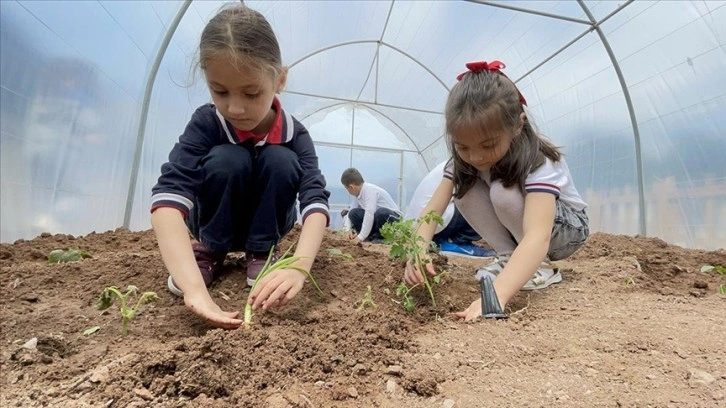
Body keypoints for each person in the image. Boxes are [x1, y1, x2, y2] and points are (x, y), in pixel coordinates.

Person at [150, 5, 330, 330]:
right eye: (219, 91)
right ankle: (210, 249)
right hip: (211, 219)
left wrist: (299, 267)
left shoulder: (295, 134)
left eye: (251, 93)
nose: (234, 107)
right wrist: (193, 288)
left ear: (280, 80)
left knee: (281, 159)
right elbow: (168, 198)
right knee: (228, 159)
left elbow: (315, 202)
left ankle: (260, 251)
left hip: (269, 224)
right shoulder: (206, 123)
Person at [404, 60, 589, 321]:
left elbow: (538, 236)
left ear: (517, 125)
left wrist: (497, 295)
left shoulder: (537, 159)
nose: (476, 157)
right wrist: (418, 250)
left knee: (503, 190)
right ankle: (509, 257)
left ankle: (542, 267)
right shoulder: (462, 161)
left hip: (565, 231)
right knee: (464, 190)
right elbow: (432, 211)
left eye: (488, 145)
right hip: (526, 229)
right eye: (463, 147)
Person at [405, 161, 494, 258]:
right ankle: (457, 241)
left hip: (418, 227)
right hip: (431, 224)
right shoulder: (463, 165)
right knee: (482, 200)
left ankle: (438, 240)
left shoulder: (448, 164)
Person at [340, 167, 402, 243]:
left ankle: (381, 238)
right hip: (378, 221)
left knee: (381, 213)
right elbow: (350, 213)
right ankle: (371, 236)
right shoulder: (358, 195)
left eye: (346, 188)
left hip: (393, 219)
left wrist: (361, 237)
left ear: (351, 187)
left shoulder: (370, 191)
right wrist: (347, 230)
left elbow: (369, 213)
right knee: (353, 213)